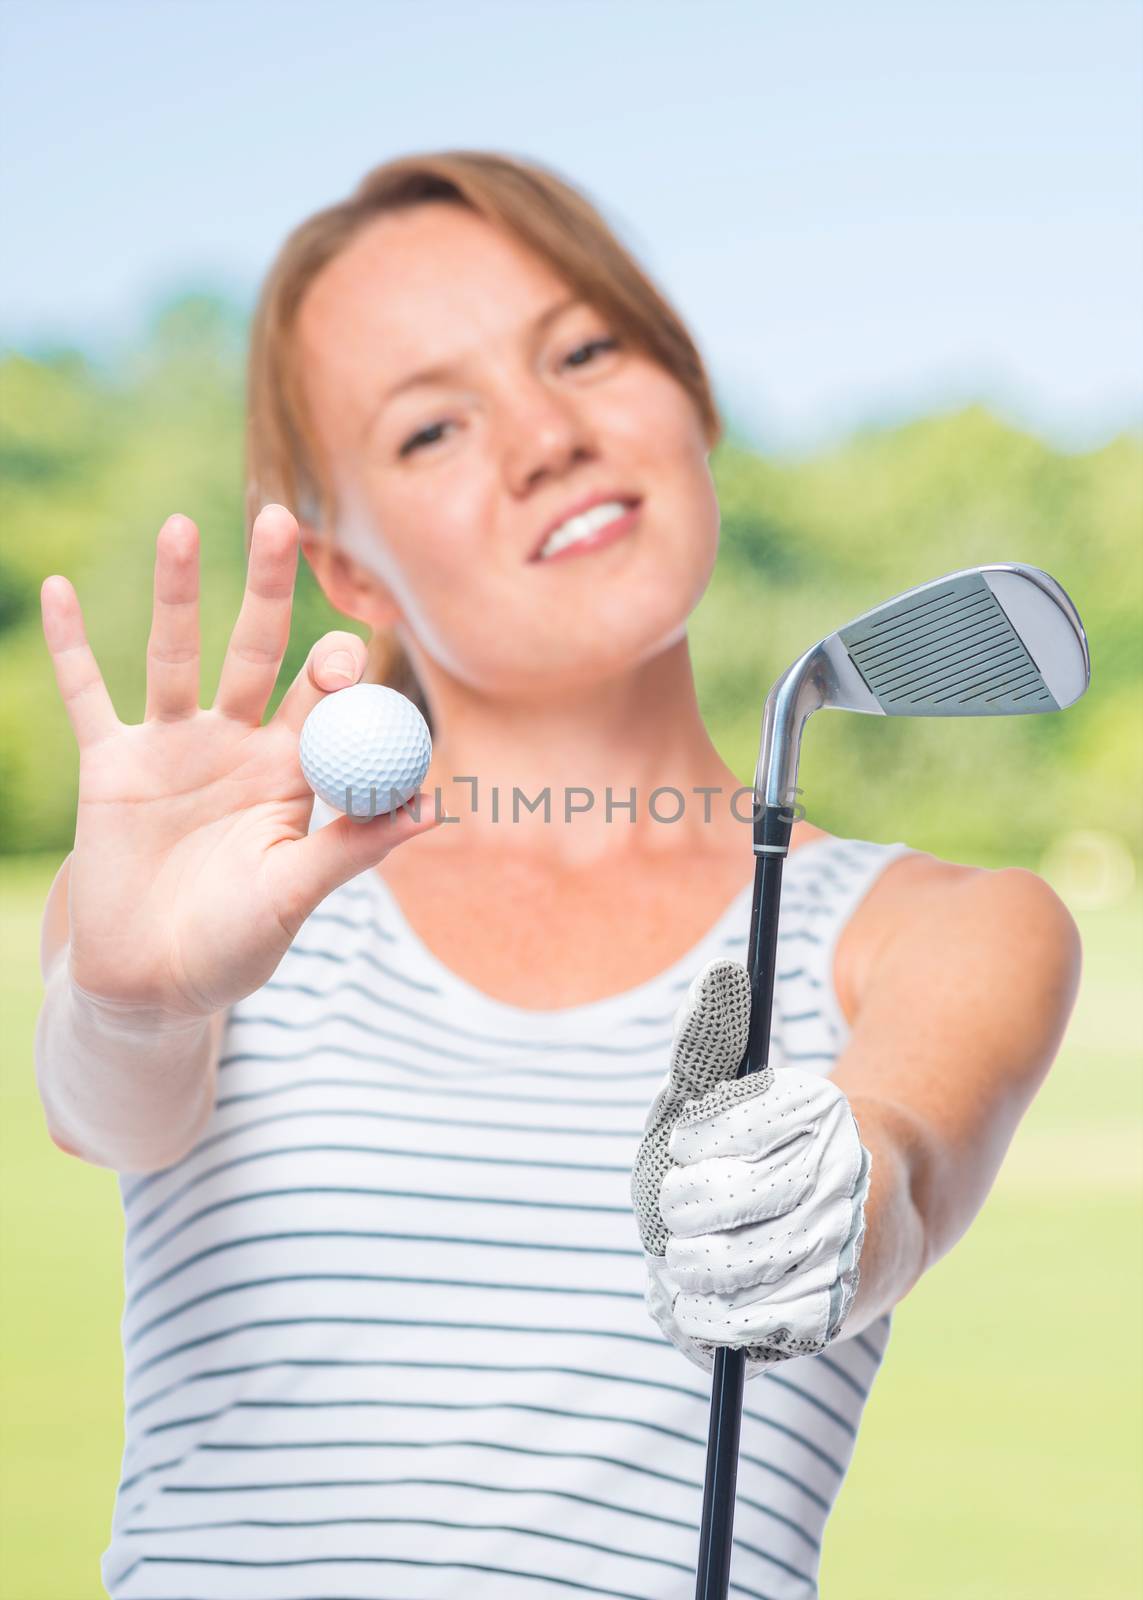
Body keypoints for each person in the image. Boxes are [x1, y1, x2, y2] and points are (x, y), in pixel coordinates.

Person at [34, 151, 1081, 1600]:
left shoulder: (949, 928)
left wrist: (839, 1200)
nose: (545, 435)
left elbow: (898, 1177)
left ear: (688, 391)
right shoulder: (223, 895)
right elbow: (108, 1106)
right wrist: (133, 1001)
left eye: (585, 350)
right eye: (430, 430)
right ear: (354, 574)